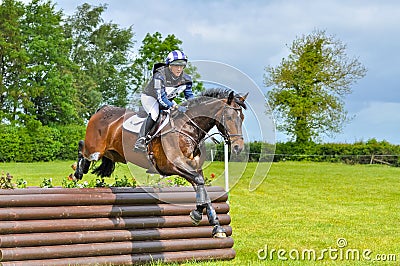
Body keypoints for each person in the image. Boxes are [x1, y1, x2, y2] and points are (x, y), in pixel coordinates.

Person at [134, 50, 194, 151]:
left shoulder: (187, 79)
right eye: (176, 65)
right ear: (169, 65)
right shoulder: (159, 75)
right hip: (150, 97)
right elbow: (161, 99)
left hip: (168, 98)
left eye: (182, 65)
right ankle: (141, 140)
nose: (179, 69)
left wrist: (196, 105)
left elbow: (189, 96)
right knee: (155, 113)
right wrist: (176, 107)